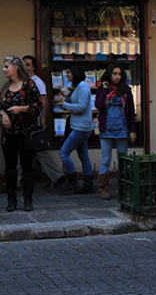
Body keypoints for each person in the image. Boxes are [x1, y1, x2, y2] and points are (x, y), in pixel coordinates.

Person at [0, 56, 42, 212]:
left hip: (25, 133)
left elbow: (37, 106)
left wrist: (21, 109)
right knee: (10, 168)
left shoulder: (29, 85)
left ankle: (28, 200)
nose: (4, 70)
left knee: (27, 167)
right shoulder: (5, 88)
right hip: (9, 134)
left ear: (15, 68)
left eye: (6, 66)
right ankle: (11, 200)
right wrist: (4, 115)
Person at [94, 64, 137, 200]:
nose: (117, 77)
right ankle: (103, 188)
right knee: (105, 159)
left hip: (122, 128)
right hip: (106, 128)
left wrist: (133, 130)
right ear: (109, 75)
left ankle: (125, 188)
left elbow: (131, 112)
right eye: (114, 74)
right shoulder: (103, 90)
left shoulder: (127, 91)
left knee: (122, 159)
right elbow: (98, 105)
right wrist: (104, 89)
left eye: (119, 74)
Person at [22, 55, 66, 188]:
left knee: (39, 150)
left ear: (34, 67)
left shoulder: (37, 82)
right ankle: (16, 181)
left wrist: (43, 121)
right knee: (23, 150)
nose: (26, 67)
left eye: (28, 64)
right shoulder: (24, 81)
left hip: (35, 122)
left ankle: (58, 177)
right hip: (26, 121)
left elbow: (44, 101)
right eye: (24, 64)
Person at [56, 64, 94, 195]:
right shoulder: (80, 86)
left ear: (75, 72)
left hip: (81, 127)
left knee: (63, 153)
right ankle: (88, 184)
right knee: (83, 156)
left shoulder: (82, 86)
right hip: (81, 127)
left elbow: (81, 106)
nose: (66, 75)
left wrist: (65, 104)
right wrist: (65, 97)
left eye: (68, 72)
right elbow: (77, 102)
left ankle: (72, 182)